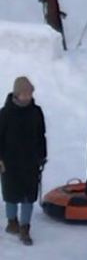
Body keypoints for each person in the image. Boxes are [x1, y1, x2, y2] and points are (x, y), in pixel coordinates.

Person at [0, 77, 46, 245]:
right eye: (24, 93)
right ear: (16, 93)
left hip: (30, 162)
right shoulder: (5, 113)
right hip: (9, 162)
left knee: (28, 196)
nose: (27, 96)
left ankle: (25, 227)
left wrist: (42, 156)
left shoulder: (36, 112)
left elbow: (41, 135)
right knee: (11, 195)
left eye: (29, 93)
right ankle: (12, 222)